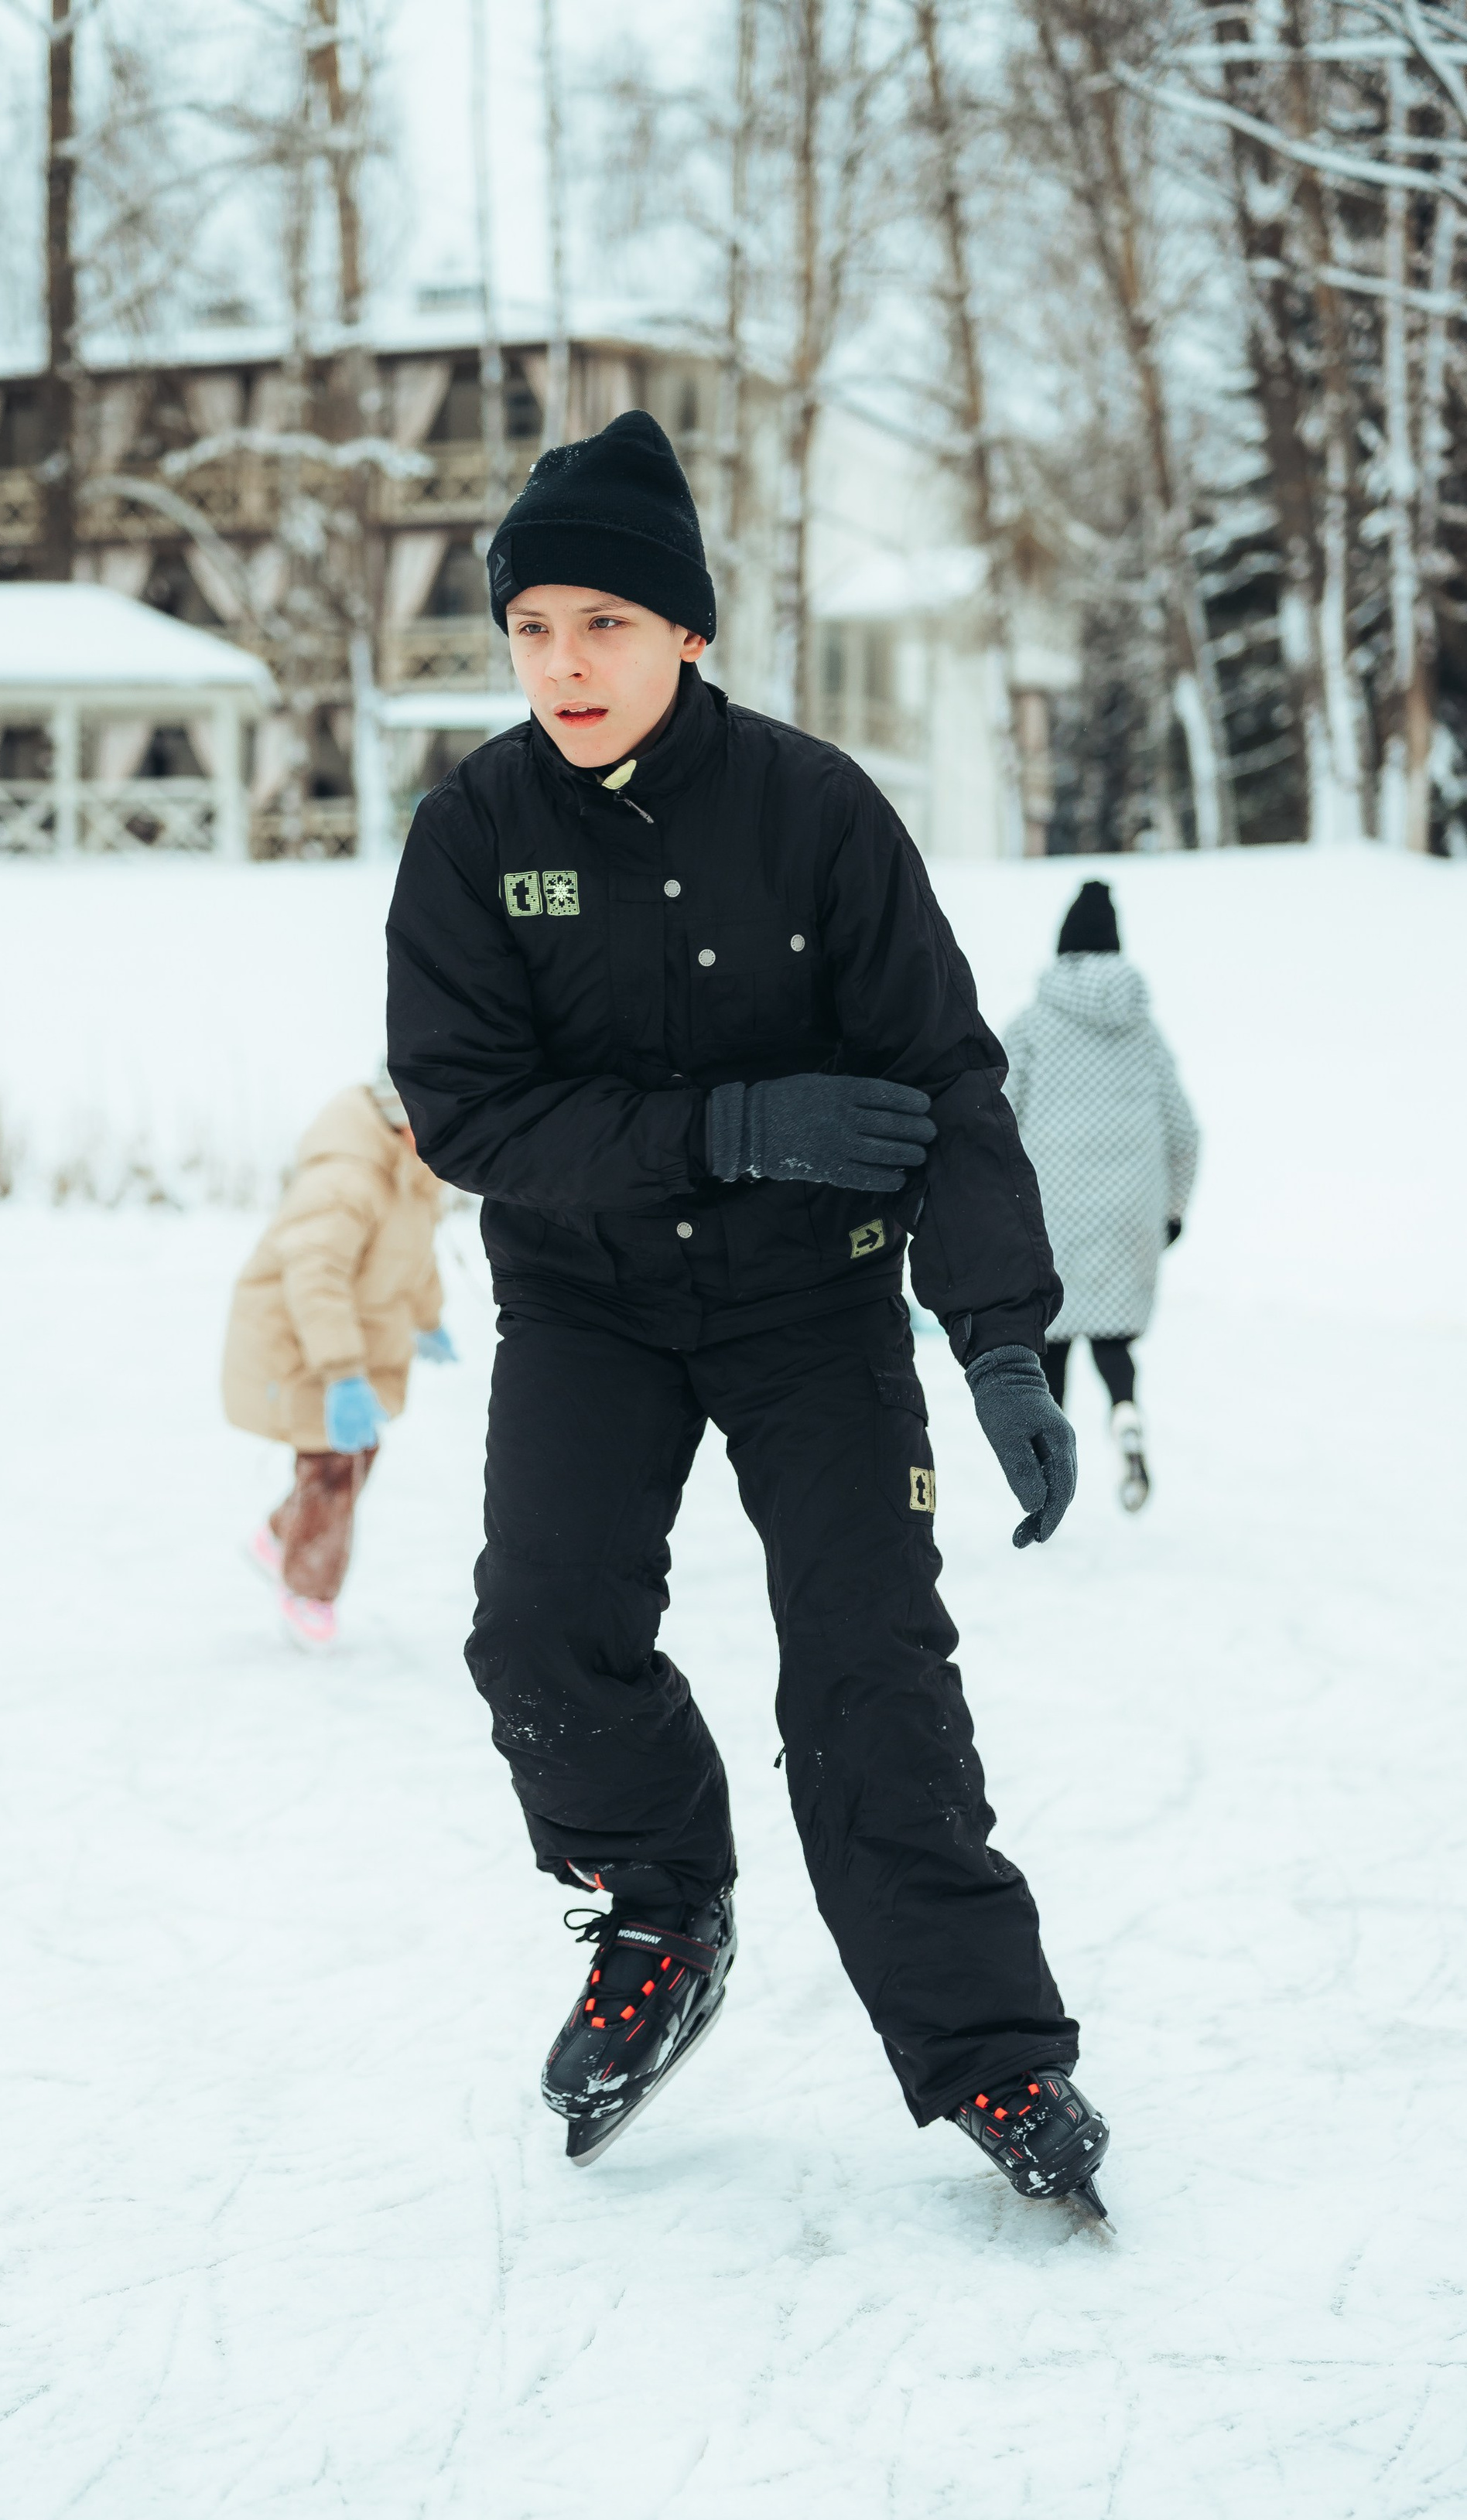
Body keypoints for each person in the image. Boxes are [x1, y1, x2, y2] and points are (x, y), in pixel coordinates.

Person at [386, 408, 1112, 2222]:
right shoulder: (473, 835)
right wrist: (719, 1123)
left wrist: (1002, 1332)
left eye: (603, 625)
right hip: (588, 1305)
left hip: (814, 1307)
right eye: (533, 627)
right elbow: (464, 1110)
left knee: (868, 1676)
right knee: (540, 1631)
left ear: (686, 632)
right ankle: (659, 1909)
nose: (563, 664)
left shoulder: (812, 811)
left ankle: (992, 2052)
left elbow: (943, 1075)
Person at [221, 1069, 452, 1651]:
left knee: (356, 1449)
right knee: (334, 1466)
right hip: (299, 1344)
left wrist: (429, 1318)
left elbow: (414, 1258)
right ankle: (308, 1592)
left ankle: (279, 1536)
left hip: (341, 1343)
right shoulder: (347, 1179)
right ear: (406, 1117)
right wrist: (343, 1373)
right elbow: (315, 1282)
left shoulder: (412, 1174)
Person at [1002, 880, 1199, 1513]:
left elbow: (997, 1117)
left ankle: (1047, 1474)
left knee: (1051, 1341)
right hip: (1128, 1214)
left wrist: (997, 1210)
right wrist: (1172, 1211)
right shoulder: (1144, 1031)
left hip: (1048, 1213)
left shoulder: (1031, 1026)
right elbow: (1184, 1131)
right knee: (1113, 1337)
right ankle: (1125, 1413)